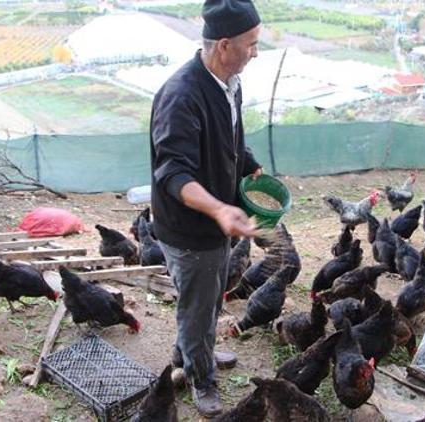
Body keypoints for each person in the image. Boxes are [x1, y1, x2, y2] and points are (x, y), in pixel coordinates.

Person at [149, 0, 263, 417]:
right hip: (189, 228)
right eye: (251, 44)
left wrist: (250, 167)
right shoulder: (182, 96)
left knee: (210, 298)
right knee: (198, 309)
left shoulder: (229, 83)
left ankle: (194, 352)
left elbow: (231, 134)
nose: (256, 52)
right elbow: (172, 172)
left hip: (218, 221)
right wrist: (218, 208)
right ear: (224, 45)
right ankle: (201, 379)